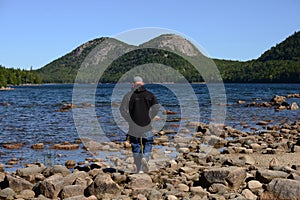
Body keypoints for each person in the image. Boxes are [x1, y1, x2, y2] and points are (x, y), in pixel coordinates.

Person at [120, 76, 159, 173]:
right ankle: (145, 157)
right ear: (143, 83)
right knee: (148, 142)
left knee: (135, 145)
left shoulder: (128, 95)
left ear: (133, 84)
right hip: (146, 125)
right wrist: (150, 117)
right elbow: (156, 108)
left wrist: (129, 119)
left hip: (133, 126)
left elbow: (122, 110)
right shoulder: (149, 95)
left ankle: (139, 169)